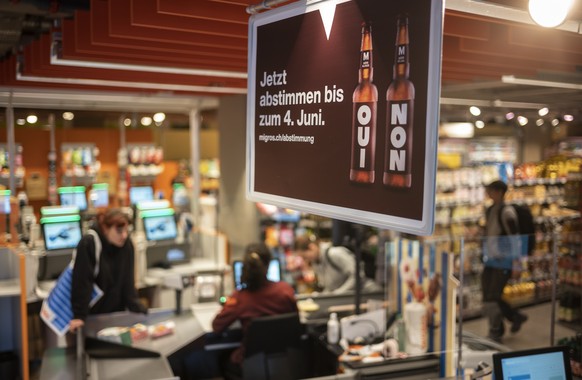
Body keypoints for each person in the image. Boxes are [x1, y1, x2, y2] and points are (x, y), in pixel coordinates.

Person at [185, 242, 298, 379]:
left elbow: (217, 326)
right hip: (283, 362)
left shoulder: (240, 297)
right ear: (269, 264)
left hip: (250, 365)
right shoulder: (285, 291)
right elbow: (295, 317)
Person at [69, 208, 146, 332]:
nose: (124, 235)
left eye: (126, 230)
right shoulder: (89, 243)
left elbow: (128, 282)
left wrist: (136, 307)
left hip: (116, 316)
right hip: (93, 317)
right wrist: (79, 316)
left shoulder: (126, 245)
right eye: (119, 231)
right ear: (105, 228)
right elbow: (82, 281)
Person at [482, 180, 528, 343]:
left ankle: (496, 331)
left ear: (500, 192)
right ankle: (515, 316)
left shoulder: (507, 212)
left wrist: (517, 263)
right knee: (488, 295)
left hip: (504, 260)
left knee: (492, 297)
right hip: (491, 259)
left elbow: (516, 238)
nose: (488, 193)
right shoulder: (490, 210)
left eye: (491, 190)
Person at [294, 234, 381, 294]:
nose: (305, 260)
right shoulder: (316, 263)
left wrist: (338, 293)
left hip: (368, 295)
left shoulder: (334, 253)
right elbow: (330, 287)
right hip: (347, 300)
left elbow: (357, 275)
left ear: (311, 247)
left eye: (305, 256)